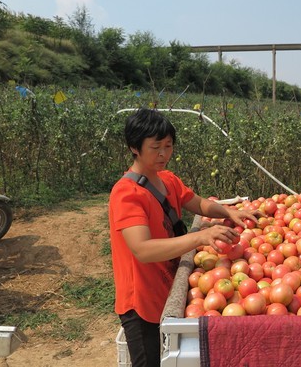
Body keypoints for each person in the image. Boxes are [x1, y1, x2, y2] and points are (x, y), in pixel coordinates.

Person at [109, 108, 260, 367]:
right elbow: (142, 249)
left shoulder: (166, 179)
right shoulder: (126, 194)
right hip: (142, 301)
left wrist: (232, 211)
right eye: (155, 147)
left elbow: (198, 203)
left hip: (168, 289)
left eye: (168, 146)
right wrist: (200, 237)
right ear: (134, 147)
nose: (163, 154)